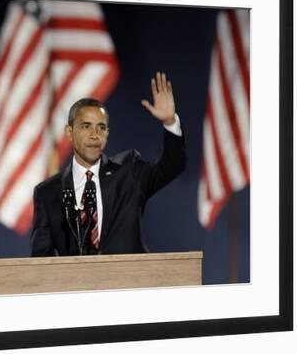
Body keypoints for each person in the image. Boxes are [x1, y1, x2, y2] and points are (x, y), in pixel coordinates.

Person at [30, 72, 186, 256]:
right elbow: (41, 260)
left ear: (107, 133)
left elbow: (172, 165)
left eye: (101, 127)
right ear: (69, 132)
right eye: (86, 126)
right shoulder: (47, 193)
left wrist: (170, 122)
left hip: (130, 282)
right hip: (77, 284)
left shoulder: (129, 172)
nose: (94, 134)